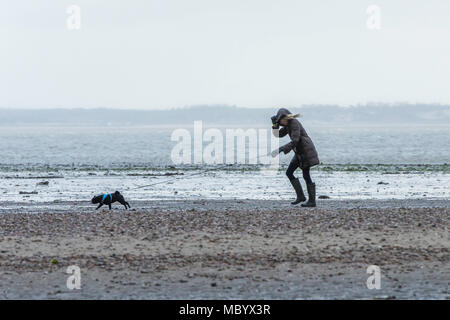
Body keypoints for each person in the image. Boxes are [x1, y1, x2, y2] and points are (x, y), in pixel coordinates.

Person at [271, 108, 319, 207]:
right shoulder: (288, 125)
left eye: (280, 121)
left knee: (306, 175)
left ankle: (312, 201)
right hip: (299, 152)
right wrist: (274, 125)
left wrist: (281, 149)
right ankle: (301, 196)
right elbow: (278, 135)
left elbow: (295, 140)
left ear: (285, 118)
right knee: (289, 172)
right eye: (279, 122)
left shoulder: (294, 123)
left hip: (305, 151)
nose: (281, 123)